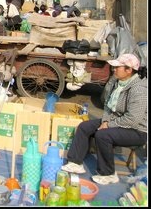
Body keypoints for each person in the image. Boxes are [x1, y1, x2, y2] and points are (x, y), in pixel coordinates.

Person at [61, 54, 147, 185]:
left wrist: (109, 125)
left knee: (103, 135)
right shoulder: (118, 83)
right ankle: (75, 162)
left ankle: (108, 173)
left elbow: (133, 119)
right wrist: (106, 121)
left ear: (129, 70)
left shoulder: (139, 89)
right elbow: (107, 105)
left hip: (137, 130)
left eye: (117, 67)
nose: (114, 69)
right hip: (117, 121)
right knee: (85, 127)